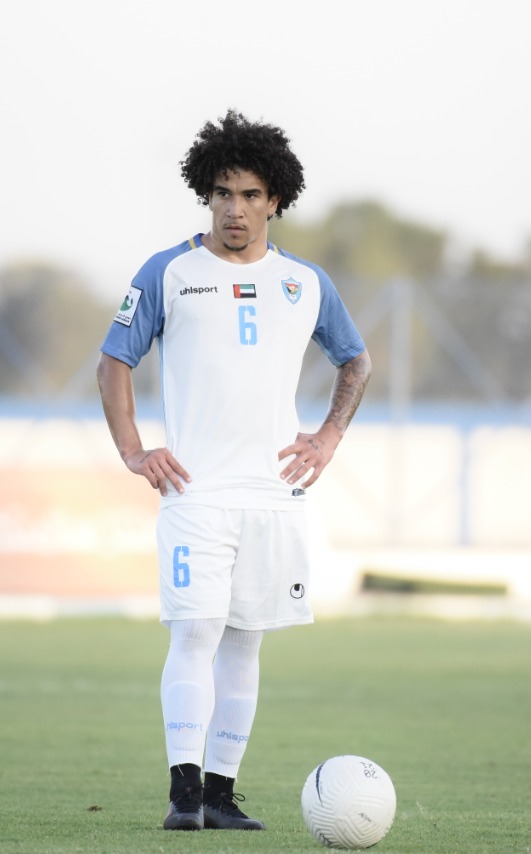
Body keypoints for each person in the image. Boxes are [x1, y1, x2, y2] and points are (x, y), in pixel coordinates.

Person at [95, 109, 372, 831]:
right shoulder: (168, 272)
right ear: (205, 196)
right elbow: (113, 360)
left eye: (250, 195)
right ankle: (183, 793)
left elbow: (356, 359)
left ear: (276, 199)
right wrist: (134, 450)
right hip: (196, 492)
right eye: (222, 193)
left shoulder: (305, 283)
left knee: (246, 641)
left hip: (276, 498)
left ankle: (220, 794)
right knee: (195, 633)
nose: (235, 209)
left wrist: (327, 438)